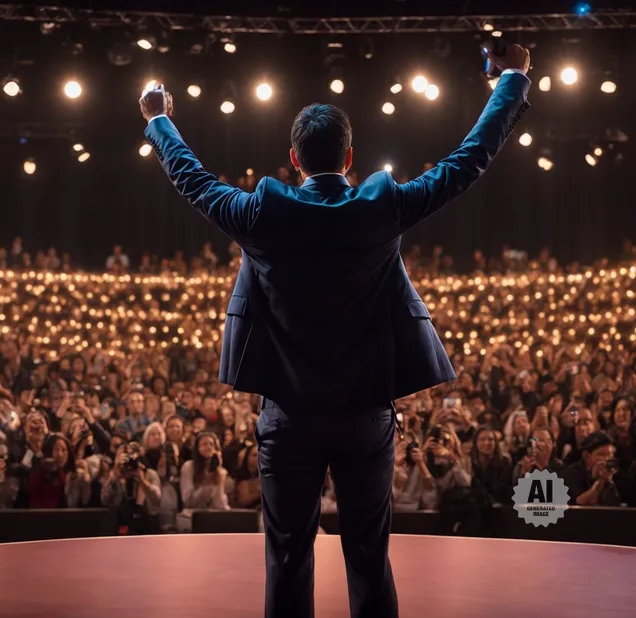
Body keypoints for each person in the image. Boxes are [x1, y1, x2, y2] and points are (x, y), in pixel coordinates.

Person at [140, 43, 532, 618]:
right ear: (349, 157)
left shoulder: (261, 213)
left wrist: (159, 121)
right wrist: (513, 79)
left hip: (288, 418)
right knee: (369, 556)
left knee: (288, 556)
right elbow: (469, 159)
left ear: (293, 160)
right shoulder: (383, 207)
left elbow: (192, 180)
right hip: (364, 416)